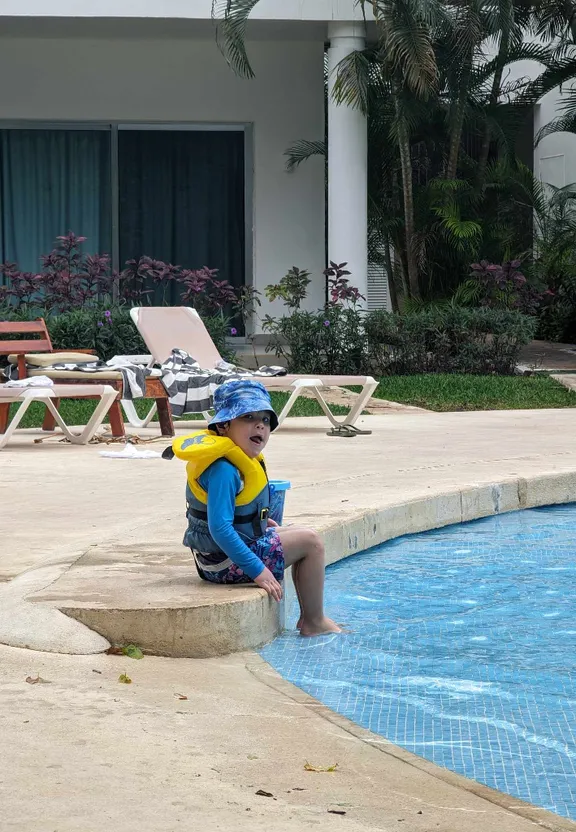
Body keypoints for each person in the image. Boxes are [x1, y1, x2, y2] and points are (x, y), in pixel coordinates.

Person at [169, 379, 341, 637]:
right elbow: (219, 528)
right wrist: (258, 571)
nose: (260, 424)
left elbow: (232, 514)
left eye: (265, 419)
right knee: (312, 542)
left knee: (300, 532)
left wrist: (257, 523)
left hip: (216, 558)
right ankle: (313, 622)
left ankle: (311, 618)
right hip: (222, 564)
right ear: (224, 425)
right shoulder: (224, 470)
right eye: (248, 417)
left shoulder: (232, 461)